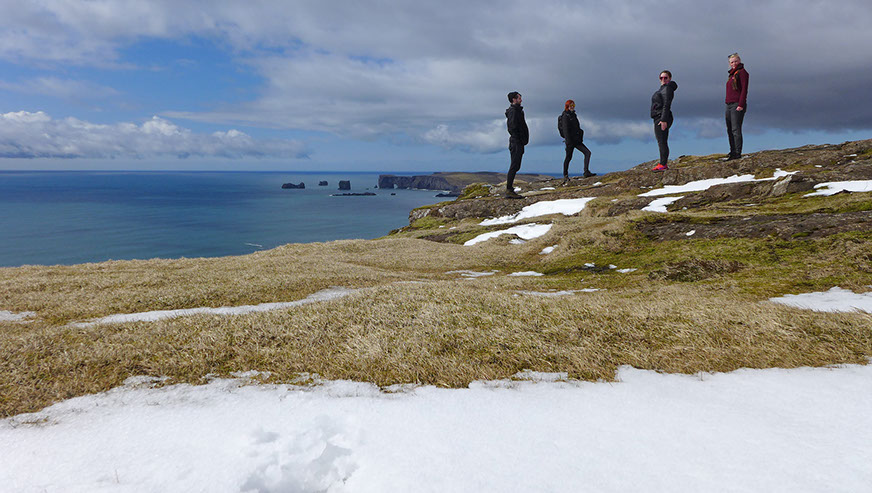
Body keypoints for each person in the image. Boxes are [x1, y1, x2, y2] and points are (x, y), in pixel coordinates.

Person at [560, 100, 595, 184]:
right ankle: (565, 175)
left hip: (576, 140)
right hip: (570, 141)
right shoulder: (565, 116)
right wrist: (568, 142)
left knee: (587, 153)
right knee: (568, 157)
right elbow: (565, 130)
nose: (572, 107)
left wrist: (580, 135)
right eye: (571, 105)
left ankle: (586, 172)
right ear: (567, 106)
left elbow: (577, 127)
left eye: (573, 105)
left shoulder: (573, 115)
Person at [650, 70, 678, 172]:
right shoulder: (663, 88)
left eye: (665, 77)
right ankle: (663, 163)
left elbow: (667, 104)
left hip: (661, 117)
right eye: (661, 78)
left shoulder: (667, 88)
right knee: (661, 141)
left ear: (669, 78)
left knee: (662, 141)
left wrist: (663, 120)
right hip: (659, 117)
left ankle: (663, 164)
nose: (663, 79)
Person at [505, 91, 529, 199]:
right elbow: (512, 127)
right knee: (514, 165)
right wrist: (519, 138)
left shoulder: (518, 111)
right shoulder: (513, 111)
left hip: (519, 142)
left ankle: (509, 189)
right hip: (516, 142)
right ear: (514, 99)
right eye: (519, 98)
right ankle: (509, 190)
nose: (521, 100)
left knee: (516, 166)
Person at [725, 53, 749, 160]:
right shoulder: (731, 74)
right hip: (728, 104)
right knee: (730, 129)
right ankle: (732, 151)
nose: (734, 63)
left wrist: (741, 104)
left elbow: (744, 89)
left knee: (736, 129)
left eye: (735, 61)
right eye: (732, 62)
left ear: (739, 61)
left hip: (737, 104)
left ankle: (737, 152)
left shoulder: (742, 72)